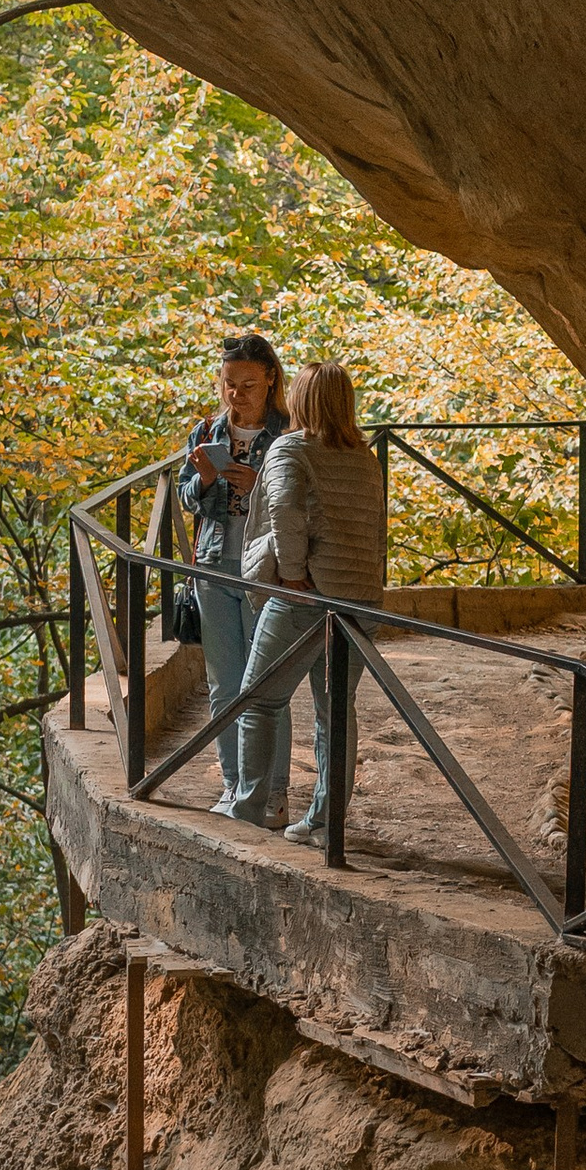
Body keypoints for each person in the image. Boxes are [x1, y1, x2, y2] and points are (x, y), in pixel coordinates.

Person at [226, 360, 389, 843]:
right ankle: (324, 821)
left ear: (299, 399)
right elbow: (376, 530)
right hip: (360, 600)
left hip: (307, 597)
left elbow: (283, 512)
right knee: (336, 711)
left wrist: (293, 575)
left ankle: (248, 811)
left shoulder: (289, 449)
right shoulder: (365, 455)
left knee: (258, 700)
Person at [178, 335, 285, 815]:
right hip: (214, 564)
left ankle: (273, 794)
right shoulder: (206, 432)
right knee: (224, 684)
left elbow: (306, 502)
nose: (236, 395)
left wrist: (260, 484)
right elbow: (183, 497)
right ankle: (234, 786)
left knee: (266, 684)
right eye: (228, 385)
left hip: (267, 569)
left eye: (247, 384)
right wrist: (202, 481)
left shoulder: (289, 433)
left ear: (269, 380)